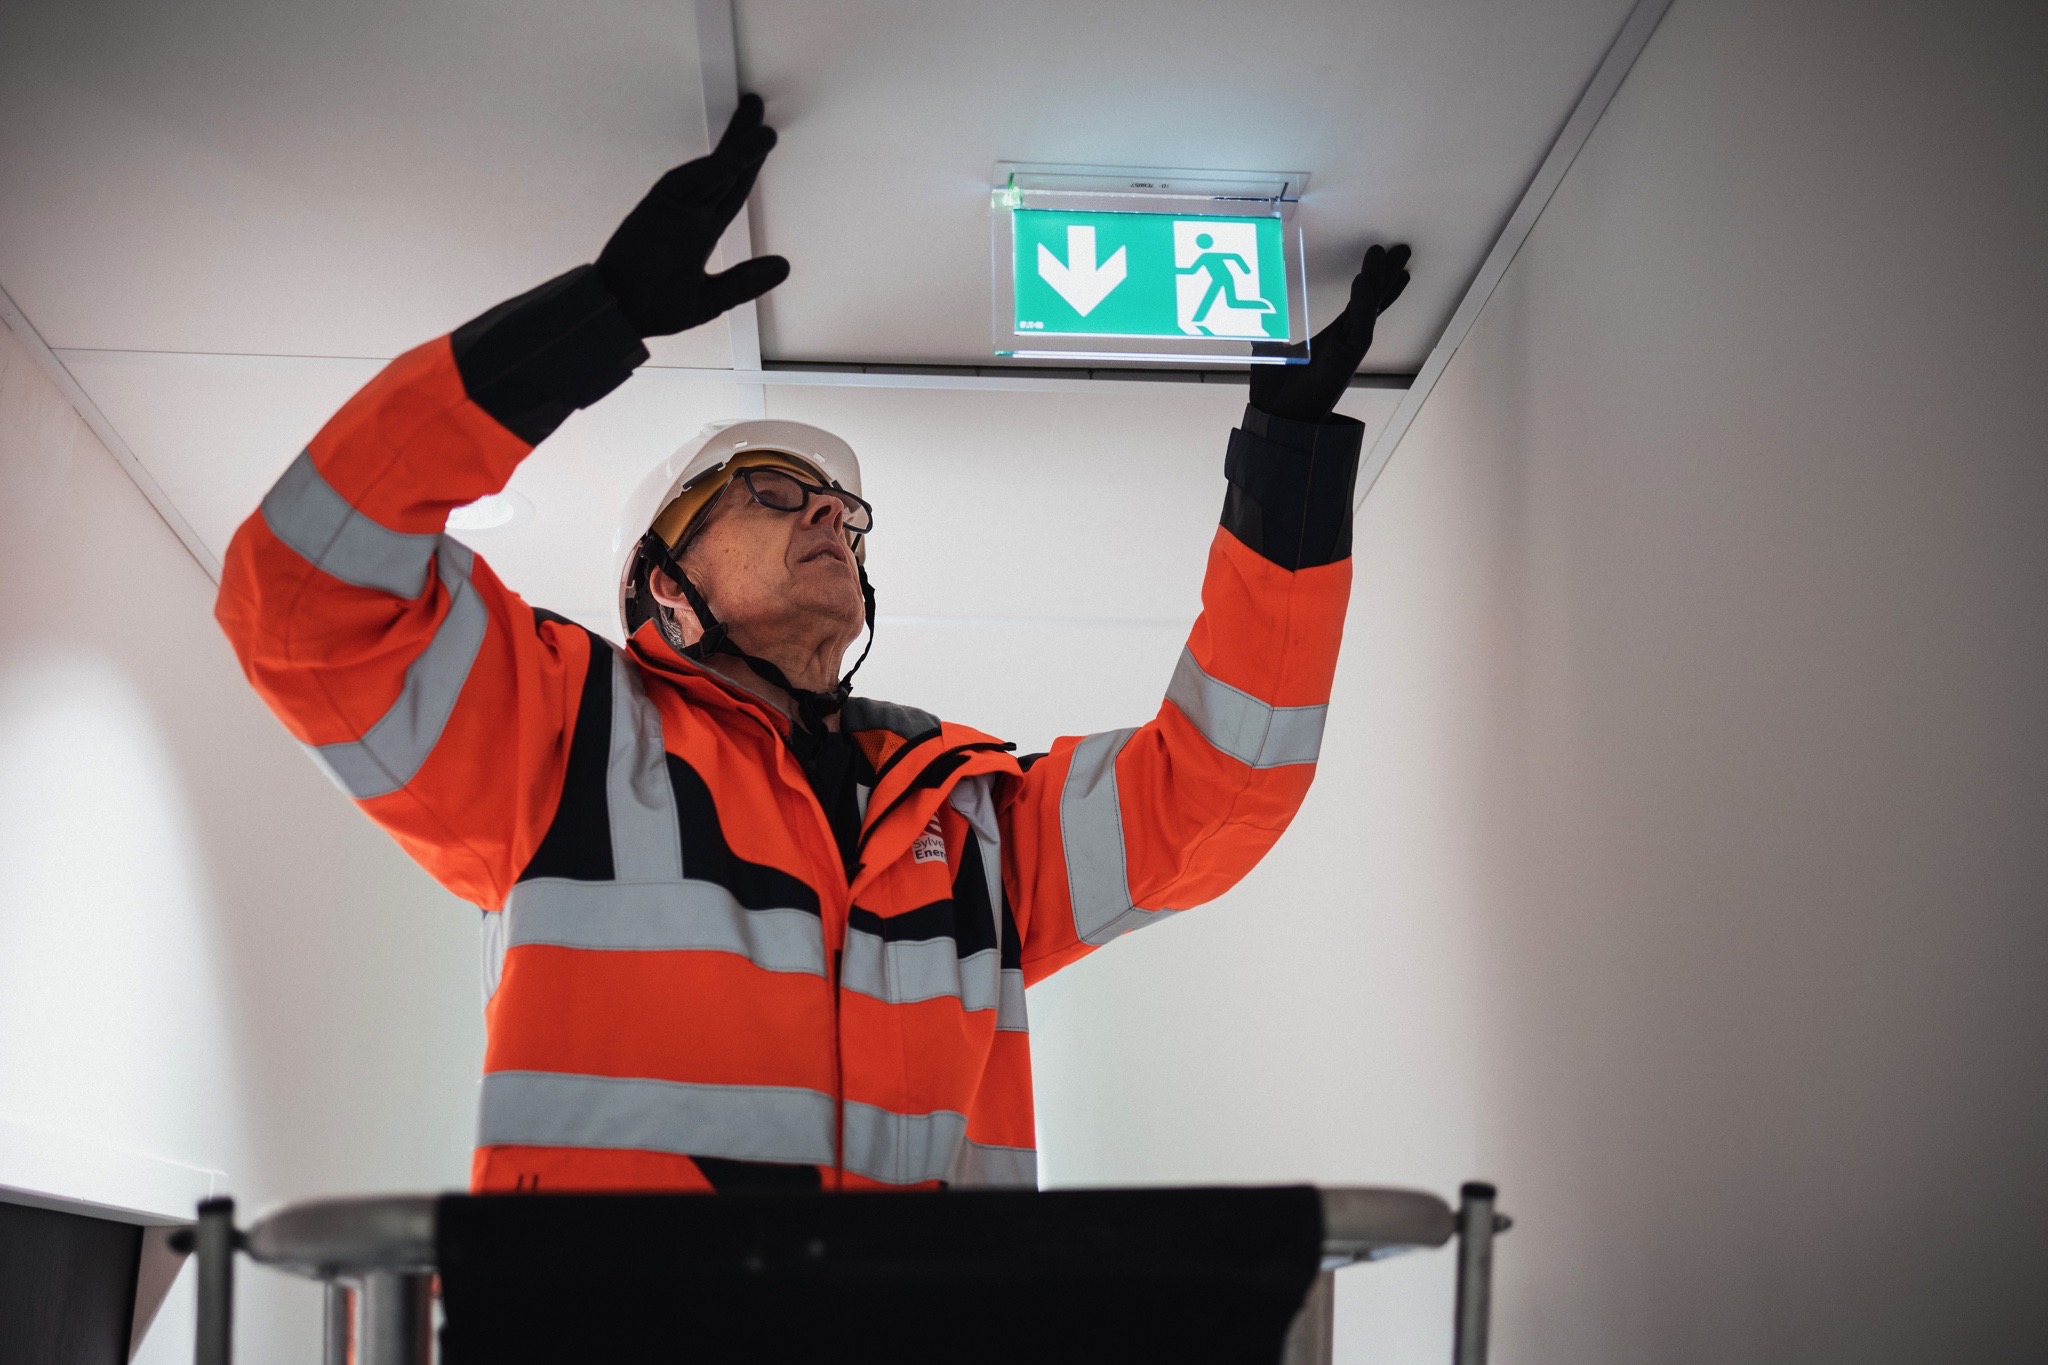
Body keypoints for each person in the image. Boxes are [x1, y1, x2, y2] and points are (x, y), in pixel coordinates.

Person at [216, 96, 1410, 1194]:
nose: (829, 516)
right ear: (663, 583)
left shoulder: (975, 824)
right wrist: (588, 325)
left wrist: (1284, 469)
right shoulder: (564, 740)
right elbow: (303, 590)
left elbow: (1226, 784)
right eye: (774, 492)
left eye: (840, 508)